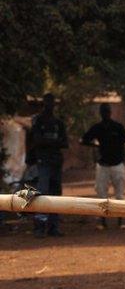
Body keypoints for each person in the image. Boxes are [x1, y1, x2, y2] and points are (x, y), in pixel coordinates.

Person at [81, 103, 125, 230]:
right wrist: (97, 146)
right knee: (101, 194)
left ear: (109, 112)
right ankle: (102, 221)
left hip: (117, 164)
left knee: (119, 194)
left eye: (107, 111)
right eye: (104, 112)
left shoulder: (118, 127)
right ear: (101, 113)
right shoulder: (97, 128)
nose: (105, 114)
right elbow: (84, 140)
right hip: (103, 165)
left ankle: (120, 221)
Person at [31, 93, 68, 239]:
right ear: (44, 104)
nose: (50, 106)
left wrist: (48, 142)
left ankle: (53, 226)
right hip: (43, 161)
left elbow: (65, 143)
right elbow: (37, 141)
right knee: (42, 194)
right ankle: (39, 227)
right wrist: (54, 142)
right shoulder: (38, 121)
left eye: (52, 103)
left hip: (56, 162)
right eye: (48, 103)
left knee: (55, 194)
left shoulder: (59, 123)